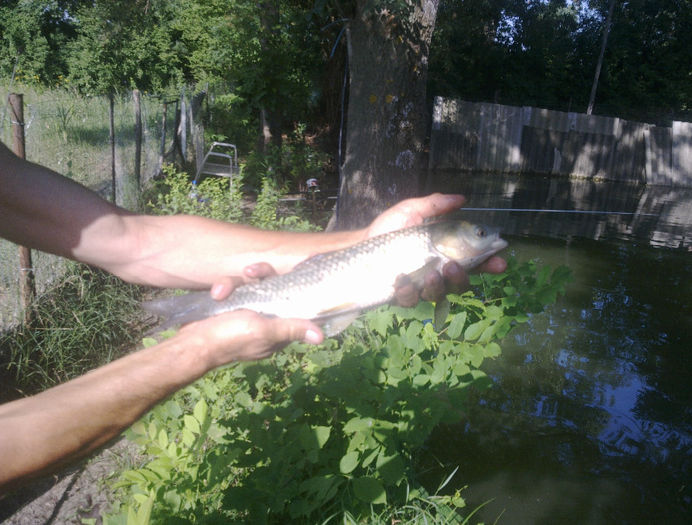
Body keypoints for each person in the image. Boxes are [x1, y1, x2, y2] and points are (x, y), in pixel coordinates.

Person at [0, 140, 505, 490]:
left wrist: (366, 243)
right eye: (478, 234)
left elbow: (132, 241)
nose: (485, 238)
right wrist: (197, 347)